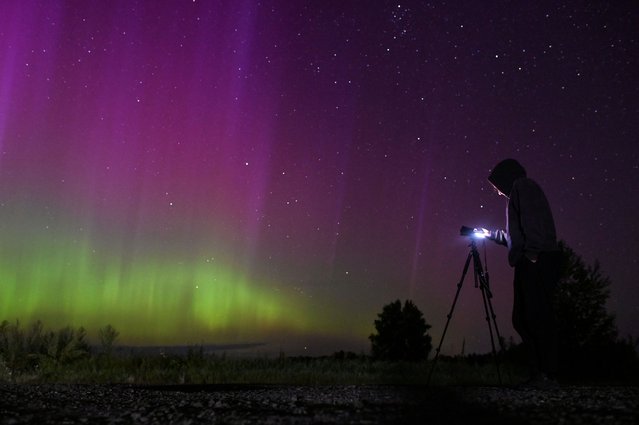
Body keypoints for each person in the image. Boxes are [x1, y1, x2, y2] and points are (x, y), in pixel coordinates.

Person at [485, 159, 563, 388]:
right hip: (530, 259)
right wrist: (488, 233)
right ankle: (539, 373)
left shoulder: (524, 187)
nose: (497, 193)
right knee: (522, 318)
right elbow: (514, 238)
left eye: (496, 187)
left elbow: (534, 222)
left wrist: (532, 255)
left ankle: (548, 374)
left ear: (505, 178)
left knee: (536, 317)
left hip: (537, 259)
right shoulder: (518, 193)